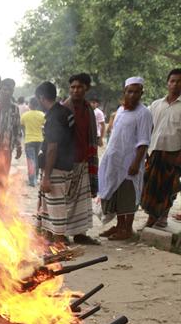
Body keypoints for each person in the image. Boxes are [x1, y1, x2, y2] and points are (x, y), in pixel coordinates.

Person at [97, 77, 153, 240]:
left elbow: (144, 142)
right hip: (114, 161)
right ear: (124, 92)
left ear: (141, 93)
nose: (133, 95)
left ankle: (127, 229)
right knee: (115, 194)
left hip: (130, 163)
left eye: (136, 92)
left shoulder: (144, 113)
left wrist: (136, 163)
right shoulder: (121, 110)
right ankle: (119, 226)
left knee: (128, 196)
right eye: (130, 91)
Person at [35, 81, 78, 244]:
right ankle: (50, 237)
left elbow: (52, 148)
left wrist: (46, 176)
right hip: (66, 164)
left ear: (41, 97)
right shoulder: (65, 112)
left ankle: (60, 240)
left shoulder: (54, 116)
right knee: (50, 205)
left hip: (56, 167)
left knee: (56, 205)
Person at [60, 73, 98, 244]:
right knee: (63, 199)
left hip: (83, 160)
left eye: (79, 87)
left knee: (81, 200)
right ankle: (59, 234)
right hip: (65, 162)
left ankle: (79, 234)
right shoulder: (63, 109)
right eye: (73, 87)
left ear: (86, 89)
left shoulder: (89, 109)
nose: (75, 90)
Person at [140, 68, 181, 228]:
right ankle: (151, 216)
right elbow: (147, 128)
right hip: (154, 152)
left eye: (179, 81)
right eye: (172, 81)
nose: (175, 84)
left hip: (174, 154)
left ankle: (161, 218)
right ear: (167, 83)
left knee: (168, 188)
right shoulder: (156, 105)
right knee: (150, 187)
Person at [0, 78, 22, 178]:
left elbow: (17, 128)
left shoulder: (14, 108)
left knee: (3, 177)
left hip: (7, 149)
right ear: (0, 90)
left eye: (10, 90)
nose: (7, 92)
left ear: (13, 91)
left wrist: (19, 146)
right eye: (4, 89)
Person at [20, 97, 46, 187]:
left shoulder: (25, 115)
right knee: (37, 159)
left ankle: (32, 181)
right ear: (37, 105)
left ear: (30, 105)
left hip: (29, 140)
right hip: (39, 140)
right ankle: (36, 177)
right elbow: (45, 125)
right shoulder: (42, 114)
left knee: (31, 160)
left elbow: (22, 126)